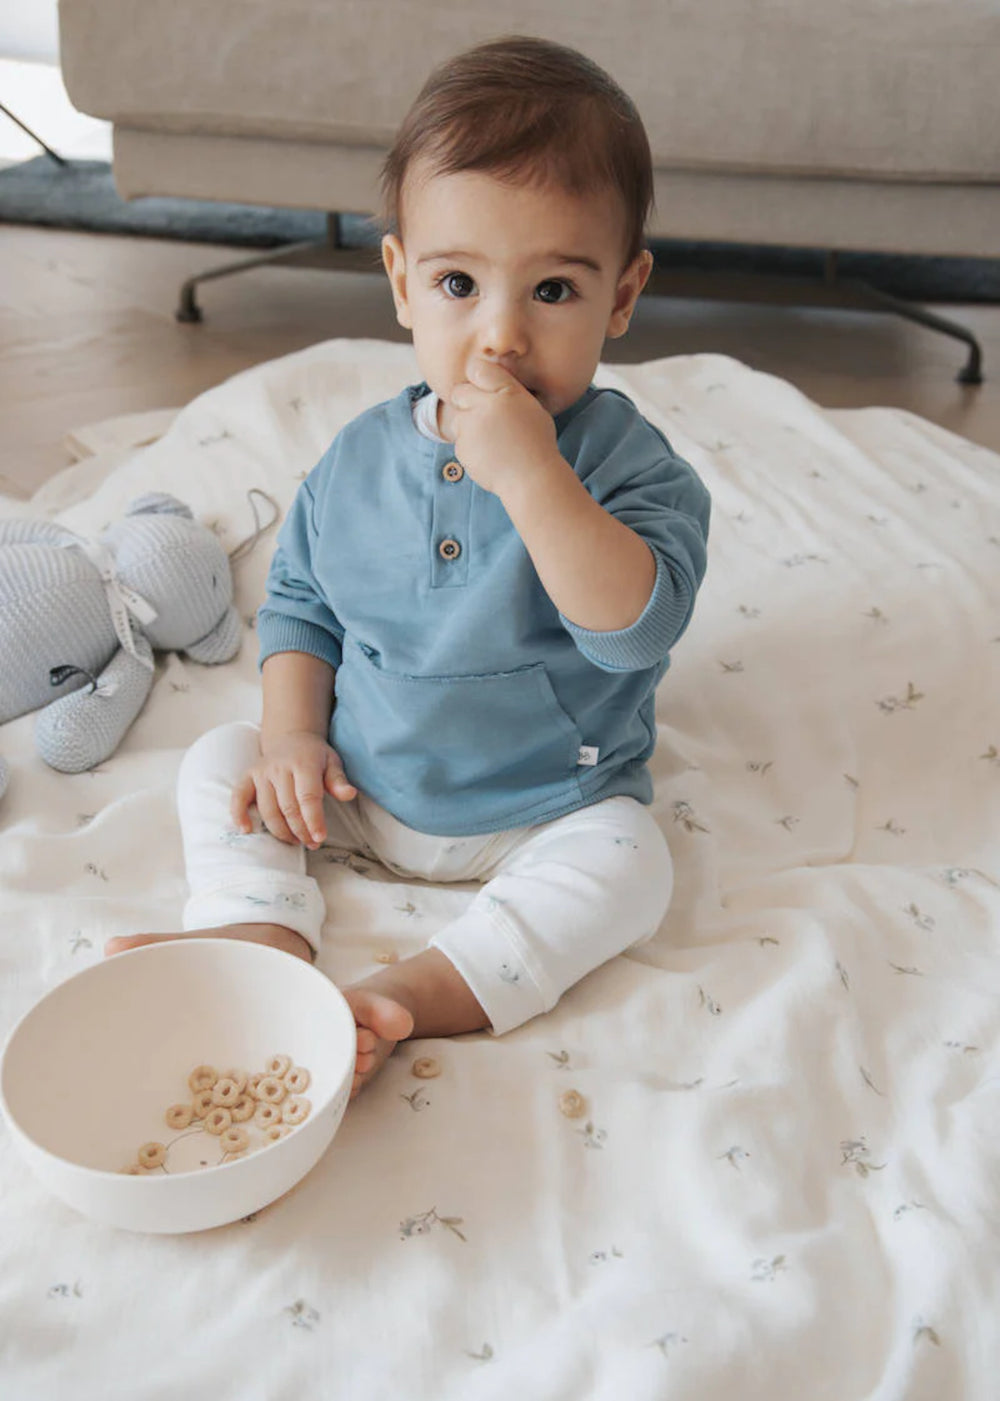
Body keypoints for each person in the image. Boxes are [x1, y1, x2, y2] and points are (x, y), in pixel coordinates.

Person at [106, 34, 711, 1099]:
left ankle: (408, 991)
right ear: (401, 281)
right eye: (458, 283)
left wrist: (533, 478)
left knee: (633, 866)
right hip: (358, 783)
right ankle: (258, 929)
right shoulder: (357, 460)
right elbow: (301, 605)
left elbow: (635, 630)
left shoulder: (632, 469)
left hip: (546, 803)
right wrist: (294, 741)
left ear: (622, 296)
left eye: (554, 290)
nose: (500, 337)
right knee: (220, 758)